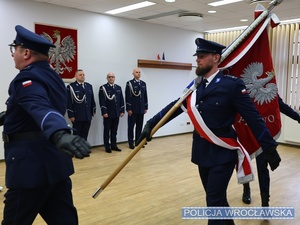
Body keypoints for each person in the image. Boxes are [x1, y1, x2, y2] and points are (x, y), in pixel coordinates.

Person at [137, 38, 281, 225]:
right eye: (197, 56)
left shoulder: (232, 85)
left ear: (215, 58)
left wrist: (269, 148)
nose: (198, 60)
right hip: (201, 151)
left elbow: (253, 118)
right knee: (218, 201)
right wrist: (151, 125)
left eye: (202, 56)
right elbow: (175, 107)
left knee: (213, 201)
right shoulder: (195, 87)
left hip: (223, 152)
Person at [1, 25, 91, 225]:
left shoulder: (27, 78)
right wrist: (10, 115)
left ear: (25, 53)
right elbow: (39, 107)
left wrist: (60, 133)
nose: (12, 54)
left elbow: (40, 108)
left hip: (30, 169)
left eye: (14, 49)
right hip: (55, 165)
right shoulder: (52, 76)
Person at [242, 96, 300, 206]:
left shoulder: (268, 86)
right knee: (244, 162)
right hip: (245, 130)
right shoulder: (241, 87)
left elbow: (281, 105)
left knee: (262, 167)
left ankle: (265, 203)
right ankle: (246, 188)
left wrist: (297, 117)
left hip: (262, 133)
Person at [99, 72, 125, 153]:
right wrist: (104, 112)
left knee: (114, 130)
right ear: (107, 78)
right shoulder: (103, 88)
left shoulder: (118, 88)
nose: (111, 78)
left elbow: (121, 100)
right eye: (109, 77)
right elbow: (102, 101)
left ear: (114, 78)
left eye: (112, 77)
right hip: (108, 113)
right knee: (107, 130)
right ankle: (107, 146)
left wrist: (122, 111)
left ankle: (114, 145)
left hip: (116, 113)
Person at [67, 69, 96, 140]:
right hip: (77, 115)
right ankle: (76, 150)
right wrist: (71, 115)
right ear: (75, 76)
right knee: (76, 135)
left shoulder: (89, 86)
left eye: (83, 75)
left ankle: (84, 149)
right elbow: (69, 101)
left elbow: (92, 99)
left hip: (87, 115)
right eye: (80, 75)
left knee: (85, 134)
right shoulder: (71, 87)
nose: (82, 76)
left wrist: (93, 111)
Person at [125, 68, 148, 149]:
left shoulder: (143, 83)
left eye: (139, 72)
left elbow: (145, 96)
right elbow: (128, 97)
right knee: (131, 127)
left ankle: (138, 142)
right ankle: (131, 143)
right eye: (136, 72)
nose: (138, 74)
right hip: (133, 109)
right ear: (133, 74)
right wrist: (128, 109)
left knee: (139, 126)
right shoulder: (129, 83)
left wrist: (145, 107)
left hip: (141, 109)